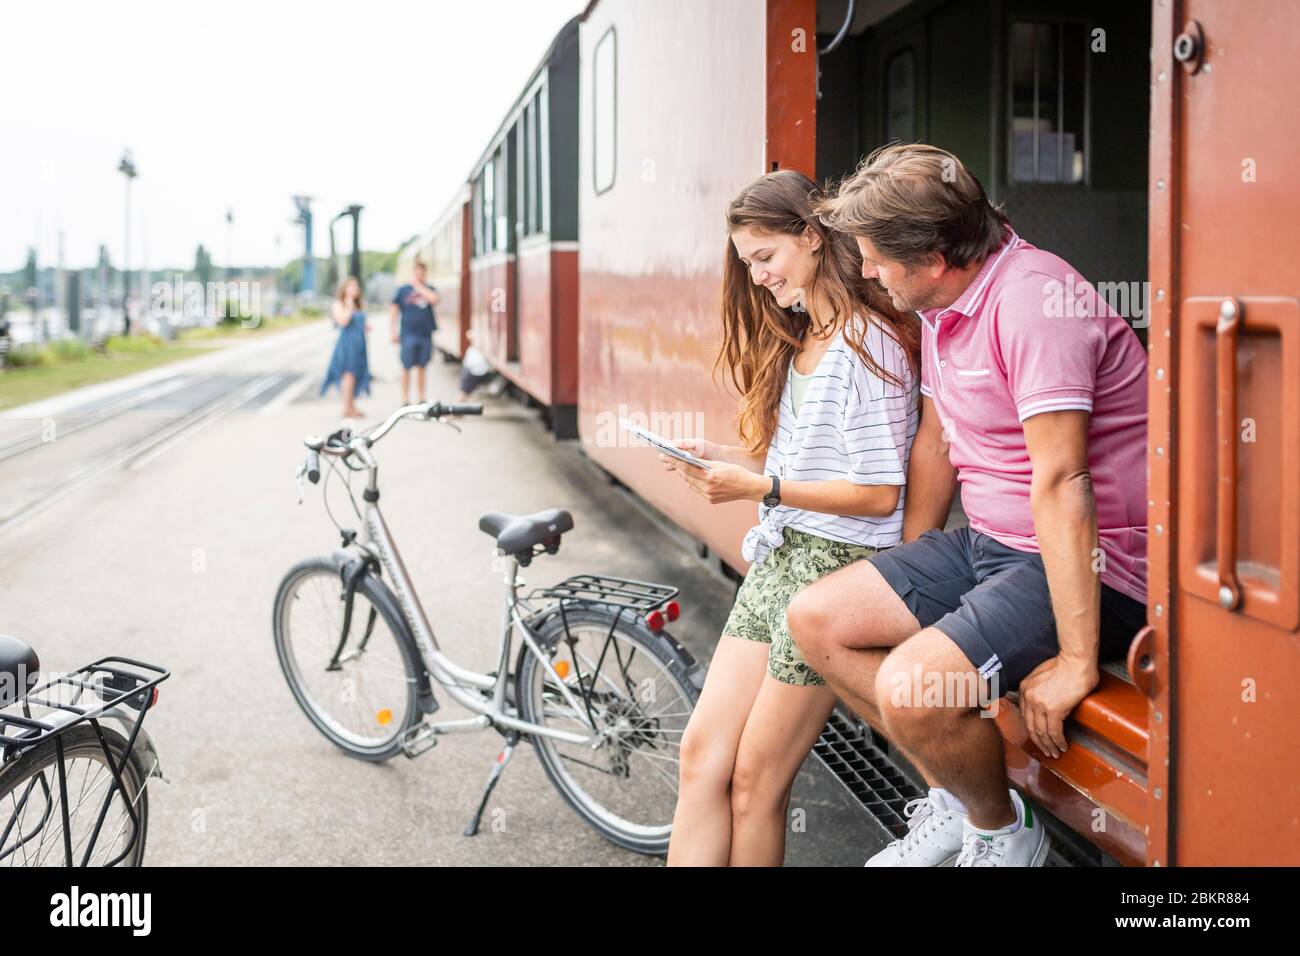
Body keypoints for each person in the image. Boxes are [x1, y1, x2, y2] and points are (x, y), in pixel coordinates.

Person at [788, 143, 1148, 867]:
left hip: (1092, 563)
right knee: (818, 619)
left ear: (935, 253)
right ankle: (963, 800)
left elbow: (1063, 482)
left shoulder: (1033, 302)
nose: (865, 271)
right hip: (995, 543)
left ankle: (1002, 834)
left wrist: (1079, 659)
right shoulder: (943, 301)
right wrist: (908, 570)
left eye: (877, 257)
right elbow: (938, 443)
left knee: (915, 689)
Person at [664, 170, 921, 867]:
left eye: (765, 257)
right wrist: (725, 459)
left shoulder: (868, 345)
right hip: (782, 560)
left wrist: (761, 486)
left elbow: (877, 496)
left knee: (755, 782)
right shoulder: (806, 337)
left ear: (811, 236)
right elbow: (803, 462)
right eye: (748, 265)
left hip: (835, 573)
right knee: (702, 756)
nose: (757, 278)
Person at [320, 276, 371, 419]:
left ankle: (352, 405)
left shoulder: (359, 304)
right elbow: (343, 321)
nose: (354, 289)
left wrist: (365, 327)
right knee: (348, 375)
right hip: (347, 344)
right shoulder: (339, 304)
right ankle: (346, 408)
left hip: (359, 343)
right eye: (351, 287)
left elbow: (360, 322)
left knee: (356, 374)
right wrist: (348, 305)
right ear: (344, 289)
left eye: (356, 287)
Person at [390, 260, 440, 404]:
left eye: (423, 272)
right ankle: (405, 398)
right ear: (413, 273)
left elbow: (434, 300)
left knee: (422, 366)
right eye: (417, 272)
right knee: (406, 366)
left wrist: (419, 287)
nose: (420, 274)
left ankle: (421, 398)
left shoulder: (430, 288)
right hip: (408, 334)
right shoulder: (403, 290)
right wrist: (392, 332)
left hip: (425, 333)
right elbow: (394, 311)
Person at [457, 330, 494, 403]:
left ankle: (456, 411)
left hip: (474, 368)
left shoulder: (480, 340)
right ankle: (457, 410)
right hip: (474, 368)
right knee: (464, 390)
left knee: (463, 391)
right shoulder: (482, 340)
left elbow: (469, 334)